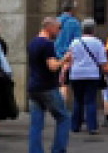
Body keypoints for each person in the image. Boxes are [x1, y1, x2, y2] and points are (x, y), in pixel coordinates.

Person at [28, 16, 70, 153]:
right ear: (50, 28)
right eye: (58, 29)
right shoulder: (47, 44)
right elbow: (52, 66)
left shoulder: (33, 43)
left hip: (33, 87)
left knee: (36, 124)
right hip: (47, 87)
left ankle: (35, 150)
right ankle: (58, 149)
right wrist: (65, 60)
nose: (59, 32)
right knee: (63, 117)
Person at [65, 17, 107, 135]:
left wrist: (64, 72)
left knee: (77, 100)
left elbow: (69, 59)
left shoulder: (75, 42)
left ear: (82, 29)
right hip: (92, 75)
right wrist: (107, 72)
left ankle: (75, 125)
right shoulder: (98, 43)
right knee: (90, 100)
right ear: (93, 29)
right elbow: (102, 62)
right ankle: (92, 126)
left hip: (76, 74)